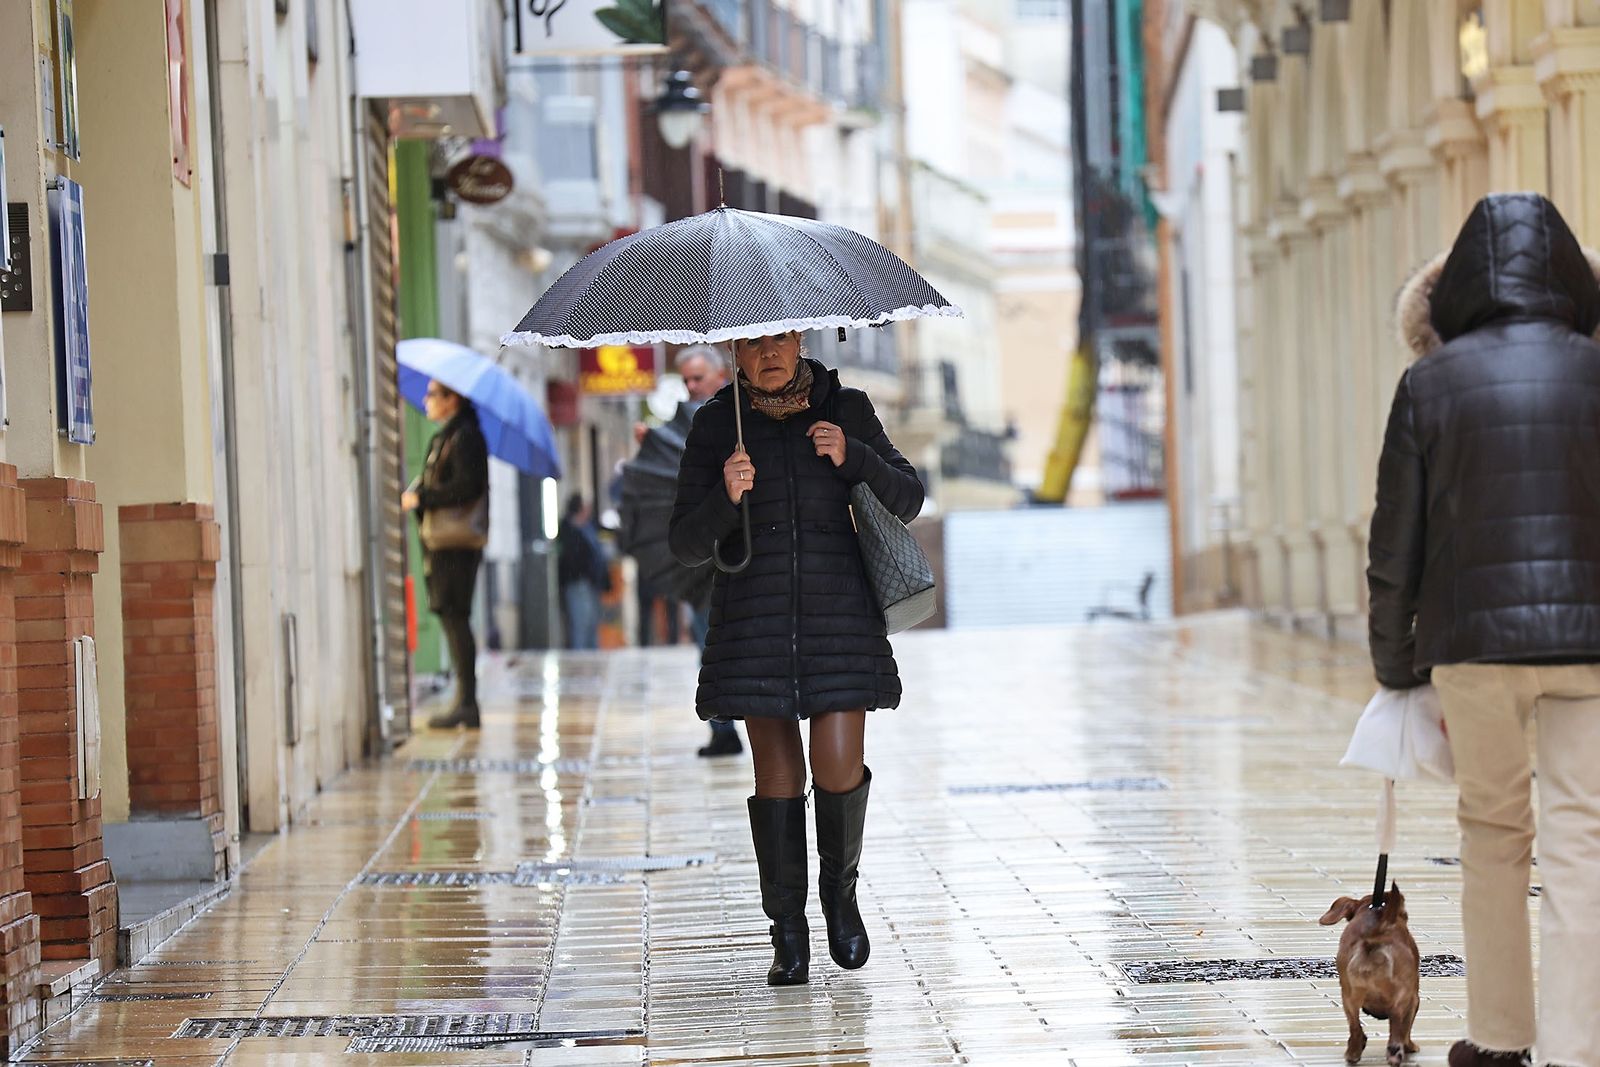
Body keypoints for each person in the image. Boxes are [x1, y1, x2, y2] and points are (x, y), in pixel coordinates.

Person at [1369, 192, 1600, 1067]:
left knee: (1495, 831)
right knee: (1584, 839)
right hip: (1591, 643)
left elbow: (1396, 541)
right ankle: (1580, 1049)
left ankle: (1501, 1039)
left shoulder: (1429, 383)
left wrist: (1396, 664)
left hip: (1470, 646)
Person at [670, 331, 924, 986]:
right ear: (733, 351)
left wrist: (855, 456)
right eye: (752, 342)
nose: (769, 352)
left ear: (801, 338)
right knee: (775, 772)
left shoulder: (848, 407)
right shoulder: (715, 425)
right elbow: (684, 539)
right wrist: (725, 495)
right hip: (754, 619)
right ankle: (788, 930)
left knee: (837, 762)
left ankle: (840, 896)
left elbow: (909, 496)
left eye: (779, 337)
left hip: (838, 615)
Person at [402, 380, 489, 730]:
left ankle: (466, 702)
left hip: (457, 543)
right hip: (442, 543)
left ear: (452, 399)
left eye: (433, 394)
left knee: (455, 615)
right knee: (450, 615)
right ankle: (464, 700)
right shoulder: (447, 436)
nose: (426, 401)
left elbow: (467, 486)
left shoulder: (465, 436)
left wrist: (425, 498)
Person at [676, 345, 744, 758]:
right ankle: (723, 728)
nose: (691, 387)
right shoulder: (684, 425)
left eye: (697, 378)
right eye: (685, 380)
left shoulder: (739, 418)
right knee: (708, 643)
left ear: (721, 375)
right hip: (702, 560)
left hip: (745, 553)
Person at [558, 495, 608, 650]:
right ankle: (581, 657)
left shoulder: (588, 527)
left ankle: (592, 656)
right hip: (578, 582)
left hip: (591, 583)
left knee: (592, 623)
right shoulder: (569, 529)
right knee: (580, 624)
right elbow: (572, 557)